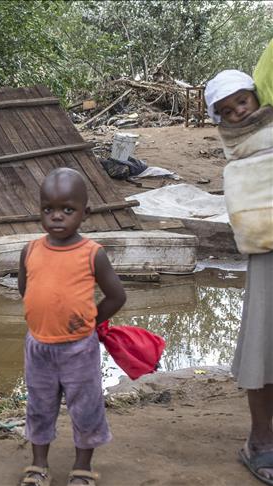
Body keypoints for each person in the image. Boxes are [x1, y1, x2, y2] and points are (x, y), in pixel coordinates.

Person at [16, 168, 126, 486]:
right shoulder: (31, 250)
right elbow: (27, 290)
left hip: (79, 348)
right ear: (39, 211)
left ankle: (82, 468)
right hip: (38, 347)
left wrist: (89, 322)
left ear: (85, 213)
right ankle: (38, 466)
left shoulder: (93, 254)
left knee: (86, 407)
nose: (57, 217)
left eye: (67, 210)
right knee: (39, 405)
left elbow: (116, 296)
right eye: (48, 209)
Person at [205, 64, 273, 485]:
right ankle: (261, 440)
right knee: (263, 340)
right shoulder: (240, 147)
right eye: (227, 111)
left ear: (256, 97)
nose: (238, 115)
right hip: (265, 246)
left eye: (242, 102)